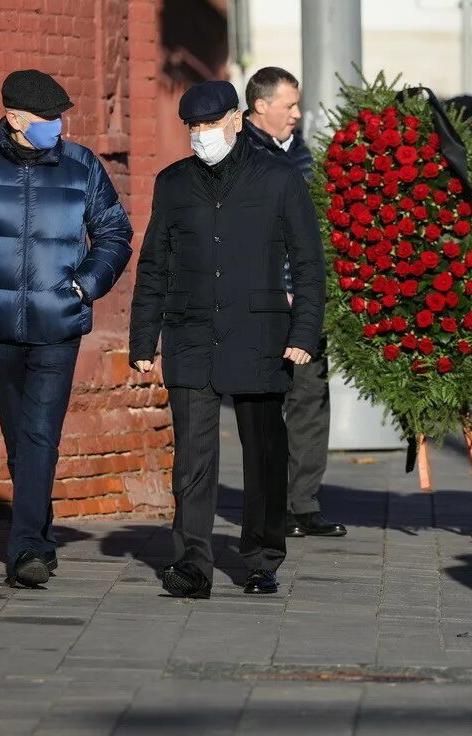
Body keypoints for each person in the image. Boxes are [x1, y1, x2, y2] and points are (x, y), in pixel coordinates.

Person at [0, 69, 134, 589]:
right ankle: (38, 528)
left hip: (59, 324)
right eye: (46, 119)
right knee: (20, 437)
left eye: (61, 118)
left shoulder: (82, 165)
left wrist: (85, 286)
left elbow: (115, 233)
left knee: (40, 433)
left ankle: (26, 551)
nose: (58, 128)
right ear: (14, 119)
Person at [129, 80, 324, 599]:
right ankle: (192, 562)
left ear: (236, 120)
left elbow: (308, 263)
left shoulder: (279, 179)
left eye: (209, 125)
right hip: (191, 333)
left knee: (264, 454)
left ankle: (261, 557)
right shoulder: (173, 183)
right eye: (192, 127)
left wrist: (304, 330)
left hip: (261, 335)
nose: (200, 136)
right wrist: (143, 340)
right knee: (192, 459)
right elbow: (154, 265)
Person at [241, 66, 346, 539]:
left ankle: (303, 502)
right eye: (290, 106)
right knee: (263, 405)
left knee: (309, 397)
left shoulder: (303, 160)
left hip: (303, 303)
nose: (298, 115)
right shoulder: (235, 155)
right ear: (261, 106)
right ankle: (268, 503)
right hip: (256, 308)